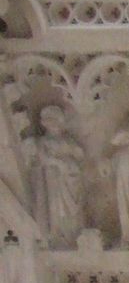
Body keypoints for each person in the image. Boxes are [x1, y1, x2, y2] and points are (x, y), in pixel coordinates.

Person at [26, 105, 85, 247]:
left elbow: (80, 154)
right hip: (53, 180)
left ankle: (73, 235)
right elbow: (42, 158)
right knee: (56, 208)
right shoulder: (43, 141)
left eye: (57, 120)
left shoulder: (67, 140)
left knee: (72, 210)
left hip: (70, 178)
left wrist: (71, 160)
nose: (55, 125)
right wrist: (58, 162)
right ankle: (58, 236)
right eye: (50, 121)